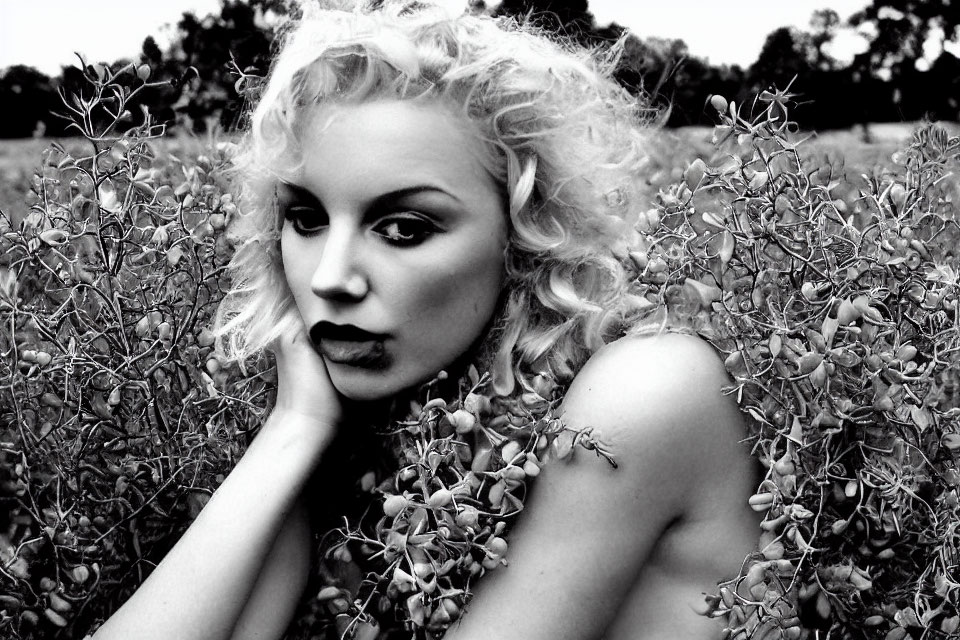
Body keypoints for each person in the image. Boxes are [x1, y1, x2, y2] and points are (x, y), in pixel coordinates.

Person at [92, 1, 758, 639]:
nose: (330, 278)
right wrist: (293, 430)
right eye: (306, 219)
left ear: (526, 236)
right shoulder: (372, 412)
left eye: (403, 228)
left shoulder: (642, 393)